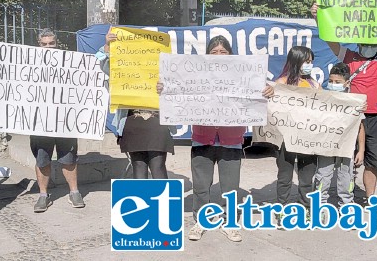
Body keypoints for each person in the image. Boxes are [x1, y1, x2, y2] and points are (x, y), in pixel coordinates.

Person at [161, 36, 274, 243]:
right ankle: (200, 221)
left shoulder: (245, 75)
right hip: (202, 138)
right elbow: (176, 89)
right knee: (201, 185)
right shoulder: (194, 75)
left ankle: (229, 223)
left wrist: (268, 90)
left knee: (230, 186)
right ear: (207, 55)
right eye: (214, 52)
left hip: (231, 139)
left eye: (223, 52)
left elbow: (260, 92)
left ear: (231, 55)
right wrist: (165, 89)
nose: (219, 56)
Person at [311, 0, 377, 201]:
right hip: (350, 117)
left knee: (373, 163)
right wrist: (318, 16)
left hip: (375, 117)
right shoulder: (348, 56)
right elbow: (330, 38)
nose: (368, 44)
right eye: (364, 41)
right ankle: (345, 194)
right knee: (347, 160)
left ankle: (370, 198)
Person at [0, 29, 85, 213]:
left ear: (57, 43)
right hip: (39, 122)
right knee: (42, 159)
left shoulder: (70, 63)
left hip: (64, 121)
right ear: (39, 44)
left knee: (69, 159)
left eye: (51, 43)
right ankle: (43, 195)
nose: (48, 47)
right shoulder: (29, 62)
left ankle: (74, 192)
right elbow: (6, 71)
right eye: (44, 44)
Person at [96, 31, 174, 179]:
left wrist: (166, 87)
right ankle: (142, 201)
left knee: (158, 165)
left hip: (157, 120)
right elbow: (105, 67)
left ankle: (163, 202)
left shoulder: (163, 68)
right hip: (131, 121)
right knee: (138, 166)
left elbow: (176, 88)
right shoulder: (124, 67)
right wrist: (107, 46)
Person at [272, 46, 321, 225]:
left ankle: (306, 209)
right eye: (307, 62)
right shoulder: (281, 83)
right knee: (285, 177)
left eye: (311, 62)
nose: (310, 65)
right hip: (286, 139)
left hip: (308, 139)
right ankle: (282, 210)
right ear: (296, 61)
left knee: (307, 177)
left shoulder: (314, 85)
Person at [314, 62, 366, 210]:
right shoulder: (323, 99)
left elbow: (360, 126)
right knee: (322, 177)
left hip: (347, 148)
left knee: (346, 179)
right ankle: (319, 209)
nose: (332, 84)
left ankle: (347, 210)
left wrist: (361, 150)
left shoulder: (354, 101)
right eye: (330, 81)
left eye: (337, 82)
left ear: (347, 83)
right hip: (326, 146)